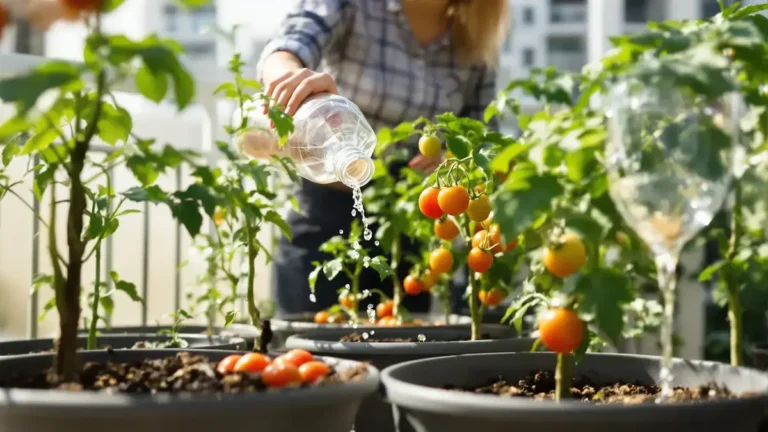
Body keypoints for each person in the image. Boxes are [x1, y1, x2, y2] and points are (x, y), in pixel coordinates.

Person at [257, 0, 509, 315]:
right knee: (309, 343)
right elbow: (289, 45)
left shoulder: (475, 41)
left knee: (399, 338)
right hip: (324, 208)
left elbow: (483, 140)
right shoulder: (355, 6)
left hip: (408, 222)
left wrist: (449, 156)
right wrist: (292, 80)